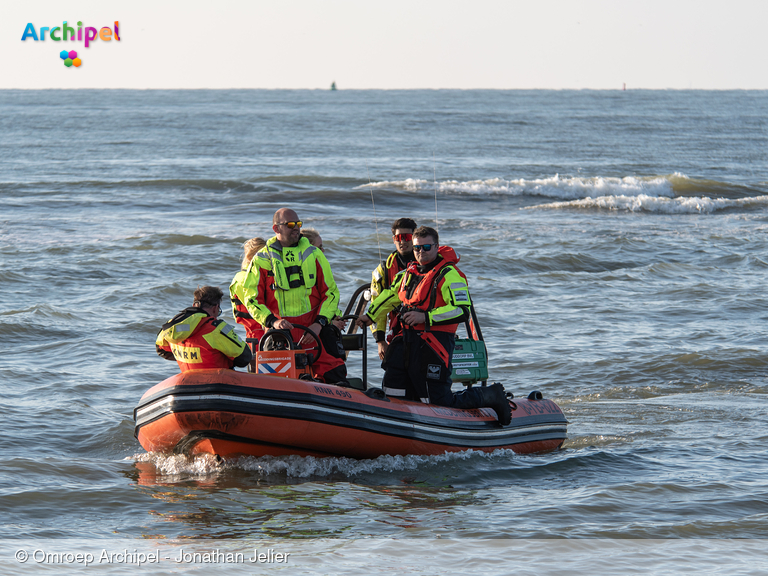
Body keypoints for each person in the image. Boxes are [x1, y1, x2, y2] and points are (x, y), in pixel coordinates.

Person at [356, 226, 511, 425]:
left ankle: (490, 395)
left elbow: (462, 310)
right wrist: (370, 316)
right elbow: (390, 296)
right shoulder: (407, 274)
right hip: (405, 341)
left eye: (426, 247)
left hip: (434, 344)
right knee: (393, 390)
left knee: (438, 401)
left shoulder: (450, 274)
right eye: (417, 248)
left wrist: (426, 317)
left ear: (437, 247)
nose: (421, 252)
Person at [241, 208, 348, 384]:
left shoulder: (314, 255)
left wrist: (319, 324)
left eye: (298, 224)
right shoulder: (262, 260)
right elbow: (251, 299)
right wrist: (272, 321)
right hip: (279, 335)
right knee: (272, 384)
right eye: (290, 225)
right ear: (276, 229)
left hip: (313, 332)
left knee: (336, 374)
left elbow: (331, 293)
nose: (296, 228)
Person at [156, 285, 253, 372]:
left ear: (194, 305)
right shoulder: (215, 329)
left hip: (187, 384)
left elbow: (161, 350)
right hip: (218, 384)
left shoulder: (172, 326)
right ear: (215, 308)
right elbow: (244, 358)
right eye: (218, 311)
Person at [370, 218, 417, 360]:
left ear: (414, 238)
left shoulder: (428, 264)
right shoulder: (383, 271)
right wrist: (380, 340)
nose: (403, 241)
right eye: (399, 237)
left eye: (407, 237)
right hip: (397, 331)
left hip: (426, 328)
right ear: (393, 239)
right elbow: (377, 305)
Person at [230, 237, 267, 344]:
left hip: (260, 334)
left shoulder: (259, 276)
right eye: (262, 255)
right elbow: (255, 308)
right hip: (258, 335)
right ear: (250, 257)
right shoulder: (243, 279)